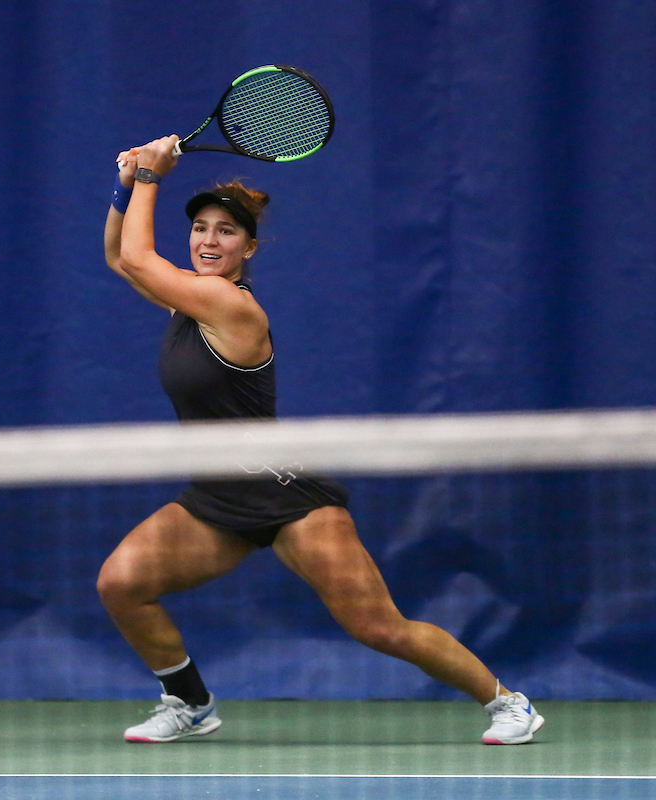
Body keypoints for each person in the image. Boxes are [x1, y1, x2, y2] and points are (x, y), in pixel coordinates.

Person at [97, 134, 545, 745]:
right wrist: (126, 186)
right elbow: (122, 259)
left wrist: (150, 176)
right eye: (200, 227)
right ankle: (190, 702)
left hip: (285, 496)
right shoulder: (187, 302)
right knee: (122, 584)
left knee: (377, 626)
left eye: (225, 231)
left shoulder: (229, 306)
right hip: (217, 497)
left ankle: (508, 701)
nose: (207, 240)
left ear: (248, 248)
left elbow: (141, 259)